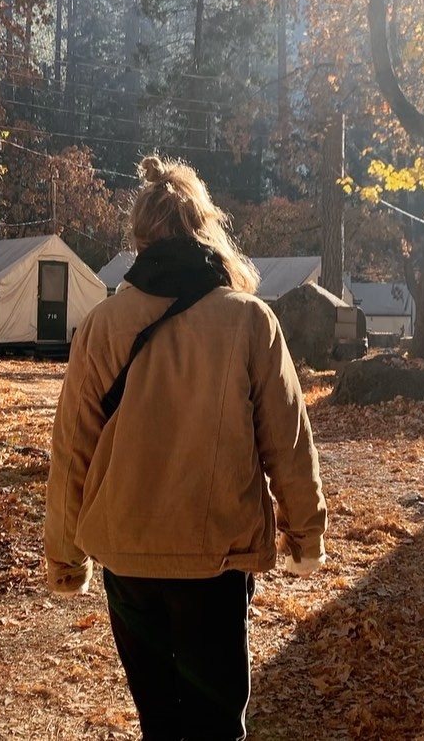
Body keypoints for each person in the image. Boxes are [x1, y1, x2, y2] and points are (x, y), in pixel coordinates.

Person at [44, 155, 328, 741]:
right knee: (216, 724)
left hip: (127, 554)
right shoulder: (250, 320)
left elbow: (73, 450)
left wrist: (66, 557)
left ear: (139, 239)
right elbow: (288, 441)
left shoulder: (102, 325)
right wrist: (306, 533)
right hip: (215, 557)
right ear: (204, 228)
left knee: (159, 722)